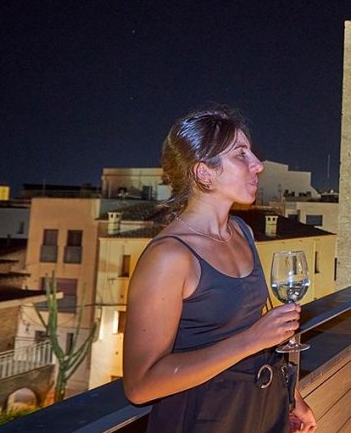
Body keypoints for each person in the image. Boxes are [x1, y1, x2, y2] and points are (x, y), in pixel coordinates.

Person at [122, 104, 317, 432]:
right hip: (205, 419)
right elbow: (140, 386)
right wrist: (252, 340)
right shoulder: (170, 256)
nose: (258, 165)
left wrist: (291, 397)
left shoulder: (241, 231)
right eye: (241, 154)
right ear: (204, 172)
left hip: (261, 409)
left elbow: (259, 332)